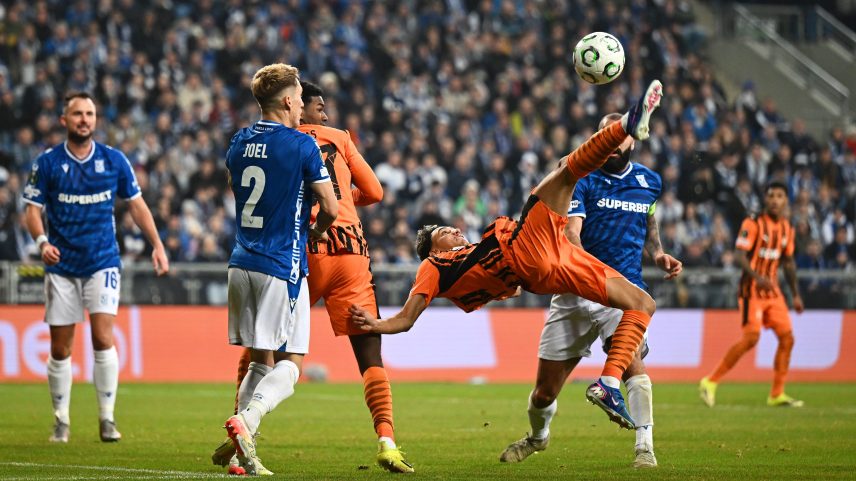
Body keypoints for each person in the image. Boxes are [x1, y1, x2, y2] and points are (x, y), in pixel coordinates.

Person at [351, 80, 665, 429]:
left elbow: (511, 289)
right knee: (567, 169)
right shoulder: (433, 266)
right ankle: (625, 126)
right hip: (529, 247)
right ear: (433, 249)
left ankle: (608, 383)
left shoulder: (469, 265)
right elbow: (408, 318)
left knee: (642, 303)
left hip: (548, 267)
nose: (454, 230)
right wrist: (378, 324)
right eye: (443, 233)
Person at [215, 81, 412, 475]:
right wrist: (340, 201)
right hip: (349, 252)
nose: (324, 115)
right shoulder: (335, 138)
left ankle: (240, 433)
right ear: (296, 105)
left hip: (302, 251)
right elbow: (373, 191)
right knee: (369, 354)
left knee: (261, 349)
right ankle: (387, 441)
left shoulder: (268, 143)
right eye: (318, 106)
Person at [499, 112, 682, 469]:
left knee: (633, 365)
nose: (612, 142)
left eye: (620, 136)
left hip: (620, 289)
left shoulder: (650, 181)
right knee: (544, 393)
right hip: (575, 288)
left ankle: (645, 447)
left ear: (635, 140)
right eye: (604, 135)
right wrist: (584, 271)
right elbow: (571, 233)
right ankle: (538, 438)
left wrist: (657, 253)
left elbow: (648, 217)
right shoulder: (582, 178)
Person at [22, 92, 169, 443]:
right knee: (60, 348)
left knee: (103, 337)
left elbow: (137, 205)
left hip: (103, 261)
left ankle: (107, 418)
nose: (84, 119)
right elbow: (31, 210)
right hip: (61, 266)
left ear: (96, 119)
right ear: (64, 120)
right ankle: (61, 419)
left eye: (89, 113)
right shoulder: (47, 164)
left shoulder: (114, 160)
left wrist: (157, 244)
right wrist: (43, 243)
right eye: (77, 114)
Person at [218, 63, 338, 476]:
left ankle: (238, 458)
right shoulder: (302, 145)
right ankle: (245, 423)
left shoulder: (238, 141)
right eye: (301, 97)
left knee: (258, 361)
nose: (304, 104)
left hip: (240, 263)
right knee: (292, 365)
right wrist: (314, 233)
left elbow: (235, 184)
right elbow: (332, 207)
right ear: (288, 100)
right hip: (280, 265)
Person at [699, 181, 804, 408]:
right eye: (772, 195)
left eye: (780, 196)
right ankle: (710, 381)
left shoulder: (787, 228)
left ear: (786, 201)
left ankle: (777, 393)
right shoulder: (753, 222)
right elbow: (739, 255)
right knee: (751, 337)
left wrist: (795, 294)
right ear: (766, 199)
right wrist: (757, 277)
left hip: (773, 293)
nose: (775, 200)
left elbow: (788, 262)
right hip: (751, 291)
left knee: (787, 337)